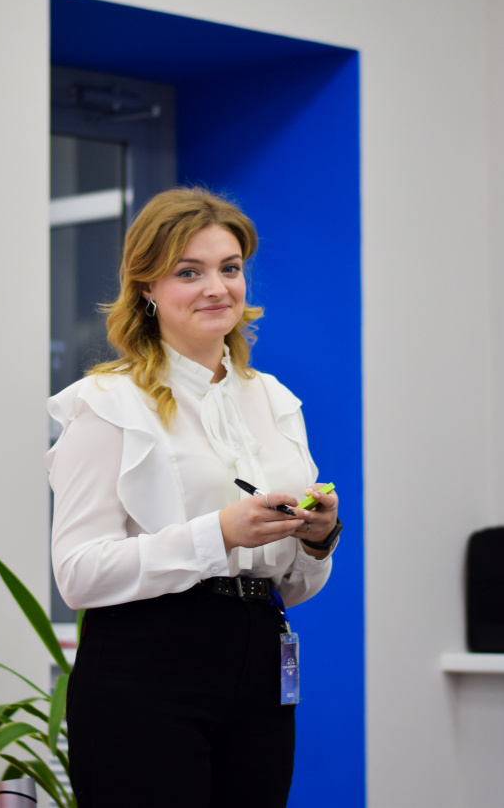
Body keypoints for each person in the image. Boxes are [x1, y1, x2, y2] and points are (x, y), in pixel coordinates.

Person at [46, 187, 342, 807]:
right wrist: (219, 533)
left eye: (229, 268)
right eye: (189, 272)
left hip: (261, 659)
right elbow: (77, 574)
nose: (216, 288)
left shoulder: (274, 401)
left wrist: (316, 542)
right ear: (147, 287)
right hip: (145, 666)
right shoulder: (107, 404)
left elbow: (290, 587)